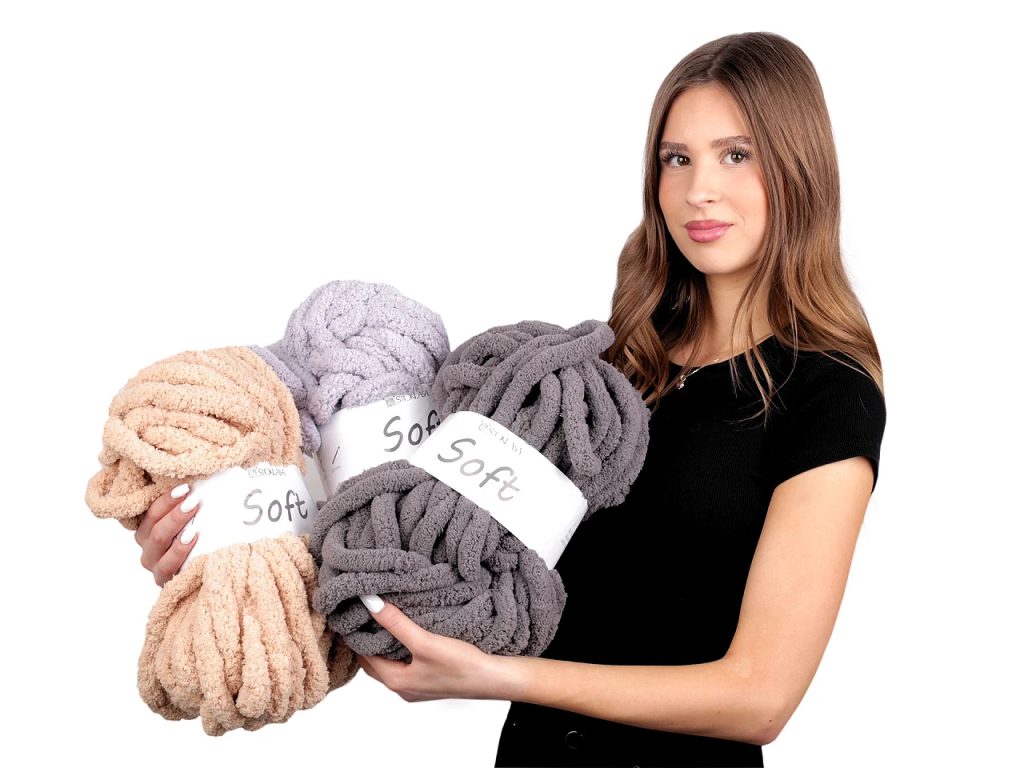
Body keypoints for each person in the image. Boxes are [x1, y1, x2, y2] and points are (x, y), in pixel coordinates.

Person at [135, 31, 886, 768]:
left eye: (736, 155)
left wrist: (501, 678)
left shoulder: (829, 395)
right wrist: (232, 537)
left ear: (798, 168)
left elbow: (759, 697)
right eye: (676, 158)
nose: (699, 190)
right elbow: (429, 544)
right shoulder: (606, 376)